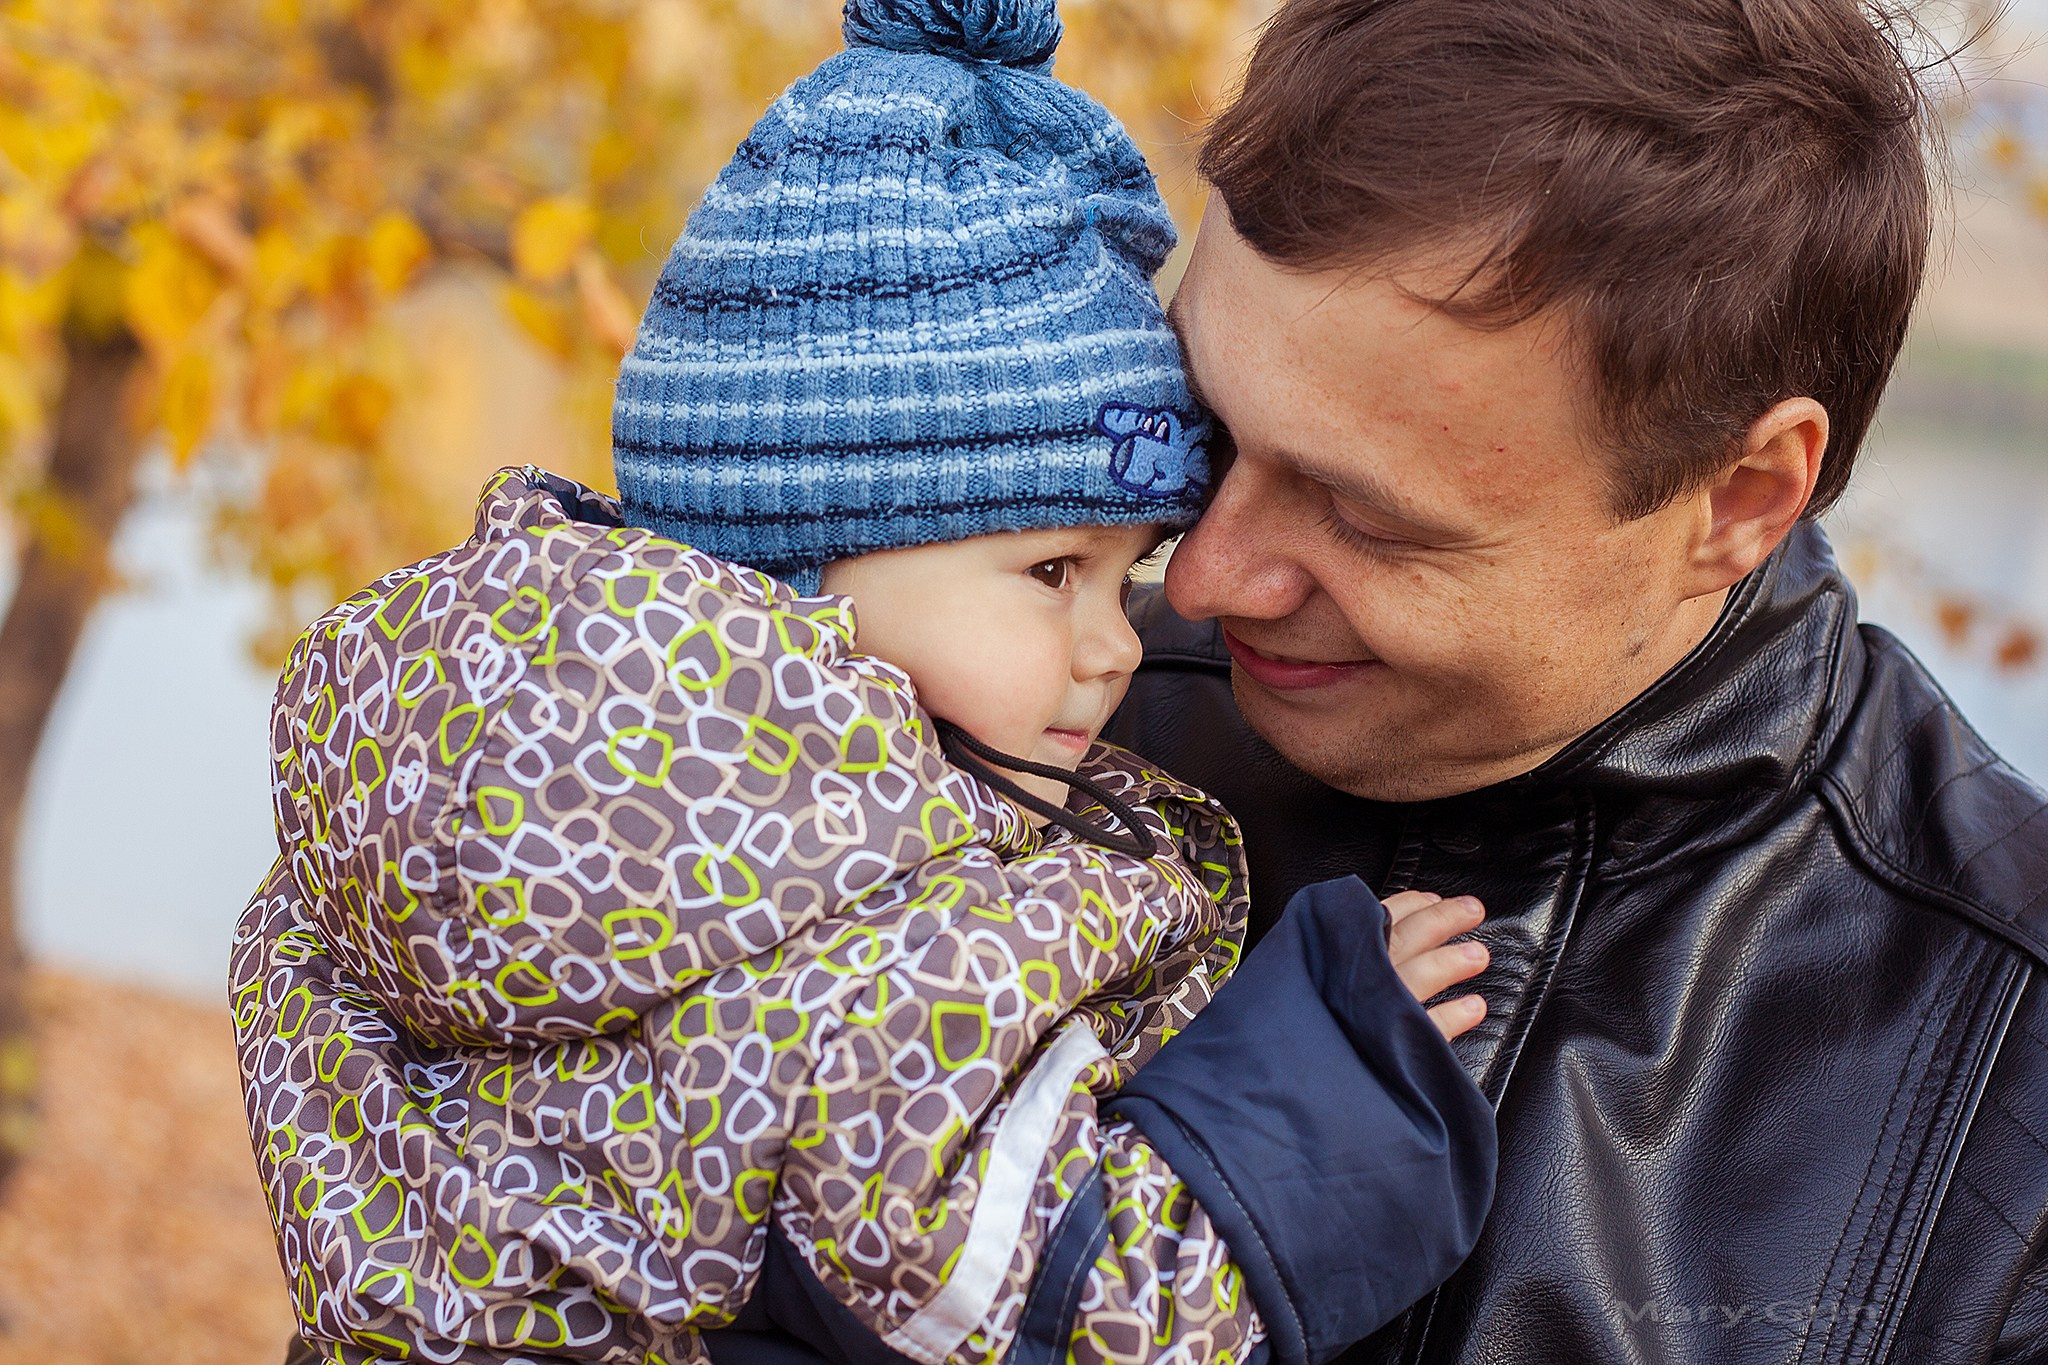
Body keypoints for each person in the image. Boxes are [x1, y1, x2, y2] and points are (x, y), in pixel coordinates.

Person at [234, 3, 1497, 1364]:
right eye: (1051, 572)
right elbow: (1080, 1317)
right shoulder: (875, 936)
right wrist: (1320, 1083)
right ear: (799, 577)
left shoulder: (471, 813)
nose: (1124, 638)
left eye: (1130, 567)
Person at [1096, 0, 2048, 1361]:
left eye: (1366, 516)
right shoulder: (992, 743)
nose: (1195, 581)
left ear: (1740, 497)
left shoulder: (2012, 1089)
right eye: (1203, 421)